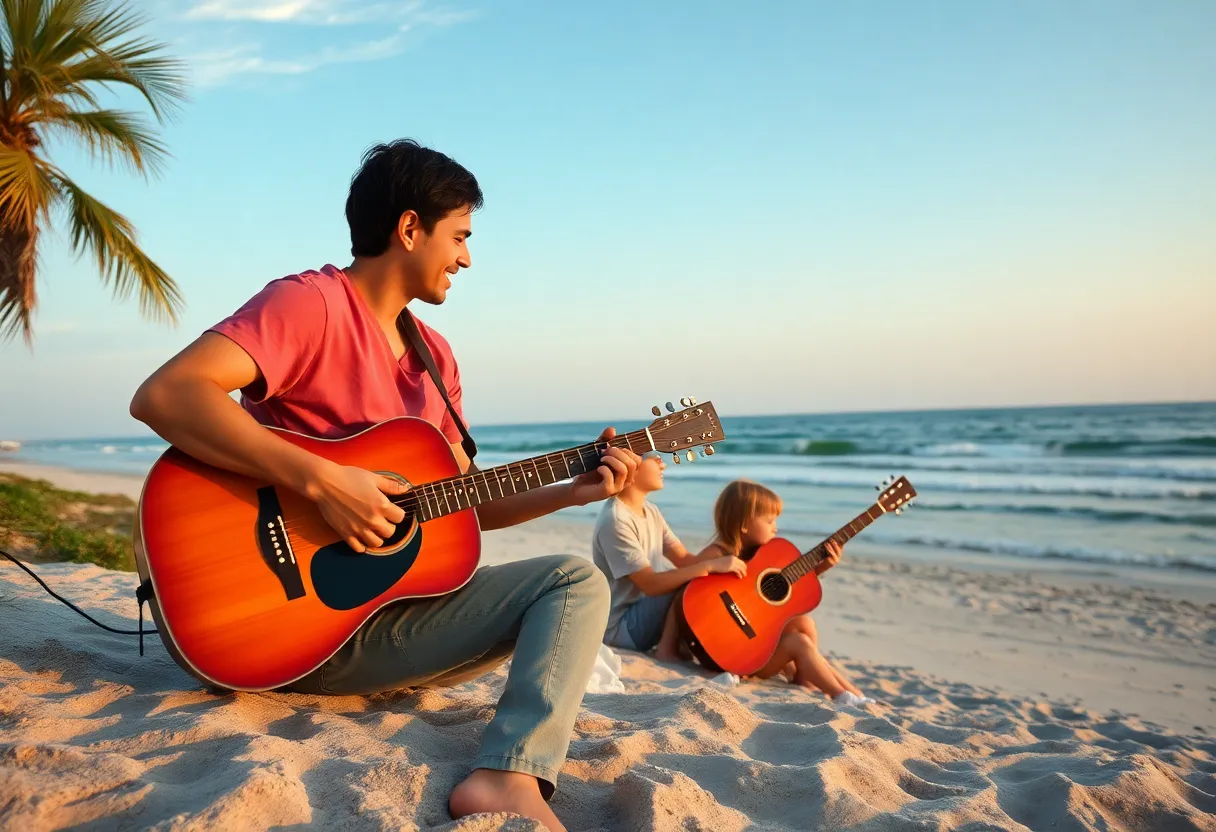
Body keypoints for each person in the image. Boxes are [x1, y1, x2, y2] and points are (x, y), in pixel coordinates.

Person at [129, 139, 641, 832]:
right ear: (408, 229)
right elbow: (166, 394)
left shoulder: (438, 362)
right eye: (459, 236)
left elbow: (467, 505)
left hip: (377, 627)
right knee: (580, 587)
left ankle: (514, 768)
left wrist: (572, 490)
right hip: (267, 625)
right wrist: (323, 479)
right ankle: (508, 779)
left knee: (574, 580)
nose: (467, 257)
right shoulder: (309, 305)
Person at [698, 480, 871, 705]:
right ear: (744, 524)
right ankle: (841, 696)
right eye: (769, 520)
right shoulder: (716, 554)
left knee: (804, 624)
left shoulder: (760, 556)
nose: (775, 527)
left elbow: (778, 592)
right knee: (798, 642)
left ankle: (852, 693)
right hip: (736, 656)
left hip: (753, 645)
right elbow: (689, 594)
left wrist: (822, 567)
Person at [591, 453, 746, 661]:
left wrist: (727, 546)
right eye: (653, 458)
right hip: (624, 629)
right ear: (629, 466)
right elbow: (651, 584)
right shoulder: (616, 520)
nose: (662, 463)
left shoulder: (651, 511)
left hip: (648, 615)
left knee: (693, 575)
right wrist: (709, 566)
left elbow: (685, 560)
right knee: (686, 580)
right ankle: (668, 651)